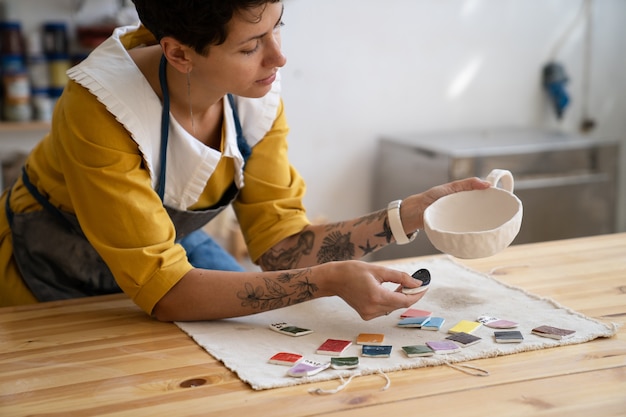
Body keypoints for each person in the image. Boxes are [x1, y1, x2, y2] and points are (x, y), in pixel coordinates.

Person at [0, 0, 489, 321]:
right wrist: (326, 282)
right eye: (251, 45)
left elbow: (281, 247)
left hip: (168, 255)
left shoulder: (253, 96)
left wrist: (407, 215)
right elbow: (166, 291)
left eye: (279, 28)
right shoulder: (102, 107)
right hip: (50, 263)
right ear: (178, 54)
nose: (278, 58)